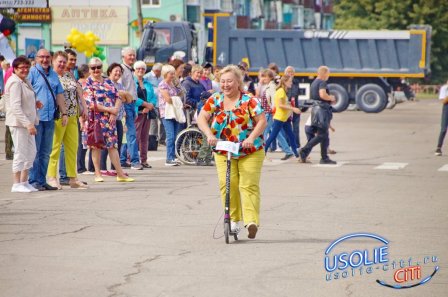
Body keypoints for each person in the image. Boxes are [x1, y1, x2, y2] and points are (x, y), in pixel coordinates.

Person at [197, 65, 267, 239]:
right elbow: (202, 117)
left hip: (249, 149)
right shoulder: (216, 99)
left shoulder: (249, 100)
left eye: (229, 81)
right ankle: (234, 220)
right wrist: (209, 134)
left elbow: (262, 121)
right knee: (228, 185)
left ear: (238, 83)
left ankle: (251, 221)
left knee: (248, 185)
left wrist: (250, 138)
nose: (226, 85)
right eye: (222, 81)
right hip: (223, 149)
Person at [83, 57, 134, 182]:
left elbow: (118, 96)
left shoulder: (108, 82)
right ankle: (97, 174)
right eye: (93, 68)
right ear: (89, 69)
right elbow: (91, 104)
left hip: (110, 120)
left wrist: (114, 112)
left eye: (98, 67)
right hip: (95, 119)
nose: (96, 70)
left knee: (113, 146)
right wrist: (111, 110)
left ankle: (120, 174)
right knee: (96, 146)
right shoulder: (87, 83)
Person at [28, 49, 68, 191]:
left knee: (46, 151)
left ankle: (41, 180)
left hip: (50, 118)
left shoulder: (53, 74)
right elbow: (26, 93)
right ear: (37, 58)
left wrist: (64, 113)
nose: (44, 60)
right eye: (41, 57)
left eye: (47, 57)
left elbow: (59, 95)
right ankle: (33, 181)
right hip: (36, 118)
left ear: (51, 58)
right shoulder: (32, 72)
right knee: (36, 151)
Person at [46, 51, 88, 189]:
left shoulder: (69, 75)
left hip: (73, 115)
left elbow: (79, 91)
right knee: (55, 147)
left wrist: (84, 108)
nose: (62, 64)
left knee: (72, 147)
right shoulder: (50, 76)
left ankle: (72, 178)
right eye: (60, 61)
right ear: (53, 61)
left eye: (65, 61)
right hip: (59, 115)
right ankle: (51, 177)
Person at [4, 57, 40, 192]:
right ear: (15, 69)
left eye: (27, 67)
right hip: (19, 124)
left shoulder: (25, 81)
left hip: (28, 122)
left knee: (31, 152)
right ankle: (16, 183)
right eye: (21, 68)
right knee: (20, 152)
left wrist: (35, 103)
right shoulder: (14, 82)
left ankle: (24, 181)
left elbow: (26, 99)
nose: (25, 70)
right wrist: (27, 124)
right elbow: (15, 107)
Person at [299, 66, 337, 164]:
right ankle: (305, 151)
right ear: (324, 73)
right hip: (322, 111)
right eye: (328, 73)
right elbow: (322, 95)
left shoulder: (314, 83)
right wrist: (331, 98)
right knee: (322, 135)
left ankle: (324, 158)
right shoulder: (322, 82)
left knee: (324, 134)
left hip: (315, 109)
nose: (328, 76)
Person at [264, 75, 301, 160]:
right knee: (273, 136)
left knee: (291, 136)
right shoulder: (281, 91)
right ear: (285, 82)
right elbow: (280, 105)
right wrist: (293, 108)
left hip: (284, 118)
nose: (291, 83)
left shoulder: (283, 91)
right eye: (290, 81)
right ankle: (263, 152)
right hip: (279, 118)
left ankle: (296, 155)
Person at [119, 47, 142, 170]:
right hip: (126, 104)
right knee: (131, 134)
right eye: (130, 55)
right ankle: (134, 161)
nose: (132, 57)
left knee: (127, 133)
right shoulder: (121, 69)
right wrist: (123, 107)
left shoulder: (130, 70)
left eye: (133, 55)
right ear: (123, 57)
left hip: (132, 104)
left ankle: (123, 159)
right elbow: (120, 89)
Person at [158, 64, 183, 166]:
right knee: (170, 136)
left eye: (173, 73)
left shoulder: (172, 84)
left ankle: (173, 157)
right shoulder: (162, 85)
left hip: (174, 112)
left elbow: (180, 94)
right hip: (167, 113)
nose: (173, 75)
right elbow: (168, 99)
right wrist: (176, 99)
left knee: (175, 136)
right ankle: (169, 158)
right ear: (165, 74)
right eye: (171, 74)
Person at [134, 60, 157, 168]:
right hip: (136, 112)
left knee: (144, 138)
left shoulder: (147, 83)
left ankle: (144, 160)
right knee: (135, 137)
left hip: (146, 113)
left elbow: (153, 97)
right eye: (138, 68)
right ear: (135, 70)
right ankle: (133, 159)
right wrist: (145, 105)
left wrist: (149, 106)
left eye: (142, 69)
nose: (140, 70)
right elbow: (133, 97)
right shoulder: (132, 82)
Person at [285, 66, 301, 148]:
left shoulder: (296, 82)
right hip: (286, 108)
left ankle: (297, 144)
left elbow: (295, 93)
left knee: (296, 127)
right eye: (288, 72)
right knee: (287, 127)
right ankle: (288, 144)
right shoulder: (283, 82)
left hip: (295, 107)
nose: (290, 73)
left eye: (292, 72)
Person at [435, 80, 448, 156]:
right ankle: (438, 147)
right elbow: (443, 101)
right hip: (447, 108)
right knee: (443, 129)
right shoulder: (444, 88)